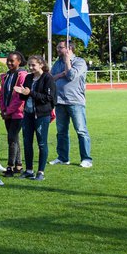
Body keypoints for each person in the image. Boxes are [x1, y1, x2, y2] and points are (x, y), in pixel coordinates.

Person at [49, 40, 92, 168]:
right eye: (57, 47)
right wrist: (62, 73)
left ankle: (86, 159)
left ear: (70, 49)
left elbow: (71, 76)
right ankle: (63, 158)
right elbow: (51, 78)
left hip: (75, 101)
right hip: (60, 101)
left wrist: (67, 62)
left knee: (81, 130)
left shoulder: (79, 62)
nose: (57, 49)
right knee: (61, 131)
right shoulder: (57, 63)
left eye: (60, 47)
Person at [17, 57, 54, 180]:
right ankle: (29, 170)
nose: (31, 68)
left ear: (41, 64)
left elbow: (49, 98)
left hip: (42, 115)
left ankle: (41, 172)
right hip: (28, 114)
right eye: (29, 65)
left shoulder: (48, 78)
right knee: (27, 143)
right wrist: (20, 92)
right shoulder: (28, 77)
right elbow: (25, 96)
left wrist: (30, 93)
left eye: (33, 65)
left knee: (42, 143)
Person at [0, 52, 28, 176]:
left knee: (11, 138)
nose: (9, 63)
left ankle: (10, 166)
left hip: (17, 113)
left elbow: (19, 97)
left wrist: (8, 111)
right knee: (14, 139)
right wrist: (3, 109)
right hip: (7, 113)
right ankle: (19, 165)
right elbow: (2, 94)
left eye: (12, 61)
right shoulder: (6, 76)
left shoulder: (22, 75)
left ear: (19, 62)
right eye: (8, 60)